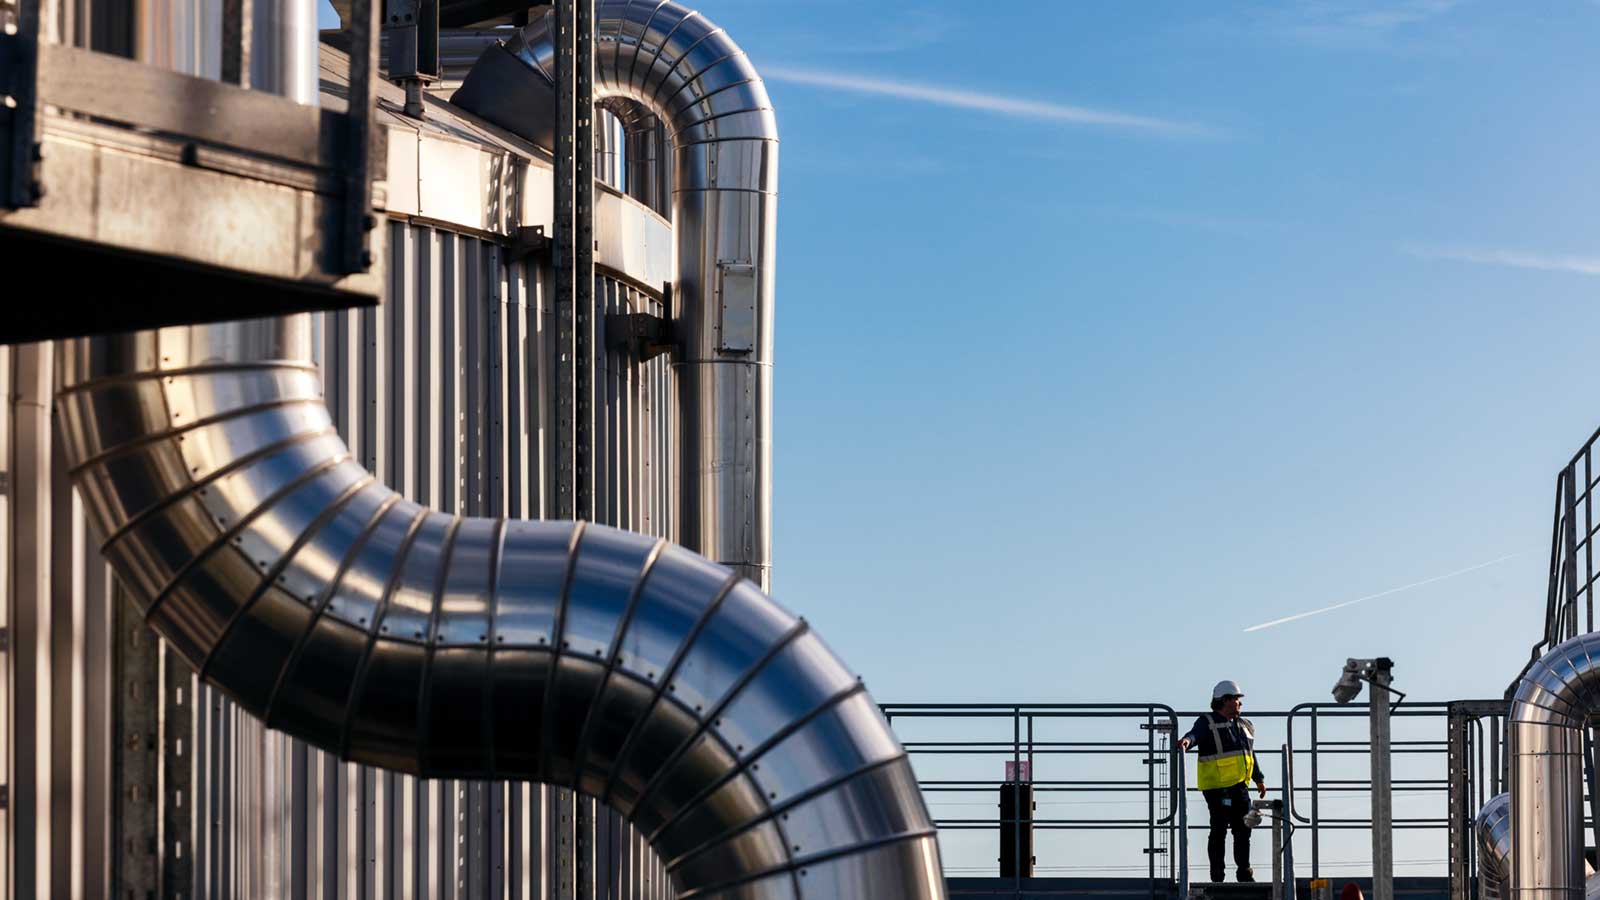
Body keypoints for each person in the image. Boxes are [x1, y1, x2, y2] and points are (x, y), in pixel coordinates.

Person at [1177, 679, 1267, 883]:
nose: (1240, 704)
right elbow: (1194, 735)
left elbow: (1250, 754)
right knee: (1218, 831)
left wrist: (1258, 779)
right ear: (1225, 700)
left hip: (1240, 786)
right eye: (1236, 699)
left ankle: (1244, 873)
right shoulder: (1206, 722)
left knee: (1243, 829)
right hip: (1217, 788)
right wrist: (1186, 742)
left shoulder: (1245, 725)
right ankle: (1217, 876)